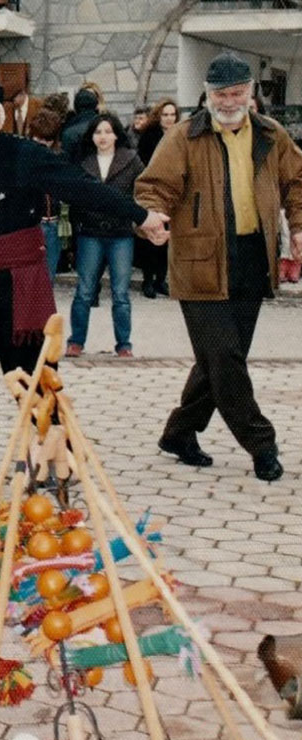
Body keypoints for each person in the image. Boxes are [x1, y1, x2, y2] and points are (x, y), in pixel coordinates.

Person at [0, 79, 168, 479]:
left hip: (17, 284)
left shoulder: (24, 155)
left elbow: (82, 188)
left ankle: (57, 454)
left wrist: (140, 216)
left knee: (34, 372)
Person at [136, 52, 299, 483]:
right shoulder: (184, 137)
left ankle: (180, 432)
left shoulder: (271, 134)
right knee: (225, 357)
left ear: (251, 93)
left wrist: (299, 228)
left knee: (220, 360)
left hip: (252, 259)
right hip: (198, 262)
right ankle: (262, 444)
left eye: (238, 93)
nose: (230, 102)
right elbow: (153, 187)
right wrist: (153, 219)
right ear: (207, 96)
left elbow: (297, 182)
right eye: (221, 94)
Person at [66, 113, 144, 359]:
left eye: (108, 132)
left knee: (121, 293)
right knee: (85, 290)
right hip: (90, 233)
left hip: (120, 234)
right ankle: (76, 341)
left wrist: (136, 217)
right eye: (98, 132)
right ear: (92, 136)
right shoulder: (83, 161)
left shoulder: (131, 160)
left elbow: (143, 189)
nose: (103, 137)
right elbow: (74, 195)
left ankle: (124, 344)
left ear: (117, 135)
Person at [136, 98, 179, 299]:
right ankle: (148, 280)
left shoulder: (180, 136)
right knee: (151, 237)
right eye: (165, 114)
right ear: (159, 116)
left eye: (172, 115)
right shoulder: (148, 137)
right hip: (154, 191)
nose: (169, 118)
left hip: (174, 193)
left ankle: (161, 279)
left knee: (167, 239)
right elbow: (143, 165)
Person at [26, 109, 68, 279]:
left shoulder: (61, 158)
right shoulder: (23, 157)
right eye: (39, 138)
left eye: (48, 139)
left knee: (48, 277)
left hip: (54, 224)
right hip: (31, 225)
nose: (43, 143)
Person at [59, 87, 101, 163]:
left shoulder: (68, 132)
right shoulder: (109, 127)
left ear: (75, 107)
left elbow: (65, 162)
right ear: (96, 106)